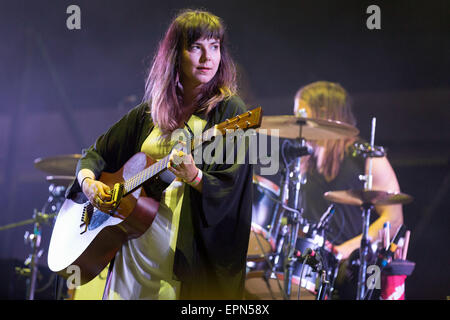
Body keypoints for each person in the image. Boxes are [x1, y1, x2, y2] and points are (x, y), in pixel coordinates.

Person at [65, 9, 253, 300]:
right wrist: (89, 185)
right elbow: (94, 154)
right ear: (175, 54)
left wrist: (195, 176)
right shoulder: (148, 113)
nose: (208, 58)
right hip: (132, 248)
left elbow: (234, 188)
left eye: (214, 47)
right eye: (196, 47)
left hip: (183, 261)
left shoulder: (231, 112)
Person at [293, 81, 404, 299]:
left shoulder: (367, 157)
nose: (297, 120)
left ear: (323, 113)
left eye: (302, 112)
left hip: (361, 269)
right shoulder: (305, 162)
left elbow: (394, 219)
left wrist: (344, 250)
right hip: (315, 267)